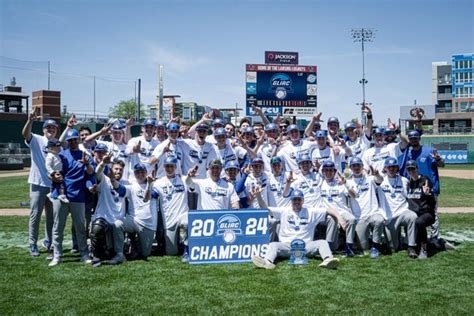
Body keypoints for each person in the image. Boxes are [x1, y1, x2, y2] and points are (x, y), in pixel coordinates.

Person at [251, 189, 344, 270]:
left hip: (305, 247)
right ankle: (267, 262)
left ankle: (328, 260)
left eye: (299, 199)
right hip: (287, 246)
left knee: (322, 243)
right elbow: (265, 208)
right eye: (294, 199)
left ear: (303, 200)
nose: (296, 202)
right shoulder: (283, 211)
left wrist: (340, 218)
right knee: (273, 245)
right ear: (290, 200)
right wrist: (258, 195)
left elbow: (328, 209)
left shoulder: (310, 211)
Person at [49, 128, 95, 267]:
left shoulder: (85, 155)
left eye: (75, 139)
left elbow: (91, 173)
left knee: (80, 228)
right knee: (58, 227)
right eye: (70, 140)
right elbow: (52, 171)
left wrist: (86, 164)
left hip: (78, 196)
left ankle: (84, 254)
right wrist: (53, 176)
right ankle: (57, 255)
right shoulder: (61, 155)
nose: (73, 142)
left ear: (79, 140)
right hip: (61, 195)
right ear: (67, 142)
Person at [22, 109, 58, 257]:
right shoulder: (37, 139)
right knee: (35, 215)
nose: (50, 129)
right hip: (37, 183)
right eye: (48, 127)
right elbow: (25, 134)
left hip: (52, 185)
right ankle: (32, 243)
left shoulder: (57, 143)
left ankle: (48, 242)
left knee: (51, 217)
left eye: (53, 127)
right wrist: (30, 120)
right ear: (43, 130)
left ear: (56, 130)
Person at [399, 130, 444, 246]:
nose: (414, 140)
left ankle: (434, 238)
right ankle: (414, 238)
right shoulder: (407, 152)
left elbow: (442, 165)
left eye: (416, 138)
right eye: (411, 138)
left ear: (419, 138)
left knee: (432, 212)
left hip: (429, 187)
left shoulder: (429, 151)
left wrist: (438, 159)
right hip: (414, 187)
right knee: (413, 212)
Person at [375, 157, 418, 258]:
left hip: (402, 212)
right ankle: (398, 239)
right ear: (385, 168)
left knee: (413, 217)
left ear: (397, 168)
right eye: (389, 167)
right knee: (394, 248)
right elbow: (377, 181)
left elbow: (409, 197)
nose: (391, 169)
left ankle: (411, 246)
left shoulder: (404, 180)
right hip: (388, 216)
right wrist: (376, 175)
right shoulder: (381, 181)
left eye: (394, 167)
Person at [89, 155, 128, 266]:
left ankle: (119, 254)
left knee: (118, 224)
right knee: (97, 226)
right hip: (103, 216)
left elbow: (122, 192)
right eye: (116, 169)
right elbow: (97, 172)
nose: (118, 171)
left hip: (118, 218)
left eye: (121, 170)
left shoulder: (126, 183)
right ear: (111, 169)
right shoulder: (104, 180)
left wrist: (113, 180)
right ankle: (96, 256)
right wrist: (103, 163)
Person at [114, 163, 158, 260]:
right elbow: (120, 189)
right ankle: (119, 253)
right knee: (117, 224)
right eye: (137, 172)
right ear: (134, 174)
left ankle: (134, 244)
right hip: (133, 221)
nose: (140, 174)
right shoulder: (132, 187)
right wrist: (112, 179)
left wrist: (149, 185)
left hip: (148, 224)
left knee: (144, 254)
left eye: (142, 172)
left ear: (146, 173)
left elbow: (147, 198)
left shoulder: (155, 186)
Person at [345, 157, 385, 258]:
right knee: (362, 247)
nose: (356, 168)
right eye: (354, 166)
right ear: (350, 168)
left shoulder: (370, 178)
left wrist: (377, 174)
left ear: (363, 167)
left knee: (379, 220)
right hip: (359, 217)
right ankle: (371, 238)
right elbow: (353, 195)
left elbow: (380, 181)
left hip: (372, 213)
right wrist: (346, 184)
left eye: (358, 165)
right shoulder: (348, 182)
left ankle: (375, 246)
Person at [318, 160, 357, 256]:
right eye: (326, 170)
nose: (328, 172)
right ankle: (329, 246)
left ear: (334, 172)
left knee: (351, 219)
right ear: (323, 172)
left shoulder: (340, 183)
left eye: (331, 170)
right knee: (332, 218)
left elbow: (354, 195)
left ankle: (349, 247)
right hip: (328, 212)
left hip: (342, 210)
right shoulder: (320, 184)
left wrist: (346, 183)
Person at [152, 157, 189, 257]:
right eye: (167, 166)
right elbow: (152, 196)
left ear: (175, 167)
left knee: (186, 222)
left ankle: (187, 250)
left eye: (171, 166)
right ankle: (179, 244)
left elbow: (192, 184)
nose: (169, 168)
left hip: (182, 214)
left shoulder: (184, 179)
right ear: (164, 167)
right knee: (171, 252)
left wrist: (190, 176)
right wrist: (148, 184)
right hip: (169, 220)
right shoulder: (158, 183)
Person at [405, 160, 436, 259]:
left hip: (427, 213)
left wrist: (428, 194)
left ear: (417, 169)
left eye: (413, 169)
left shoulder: (425, 180)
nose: (411, 171)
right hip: (415, 213)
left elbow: (432, 202)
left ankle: (424, 249)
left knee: (419, 222)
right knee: (412, 220)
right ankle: (417, 245)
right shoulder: (409, 183)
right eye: (409, 169)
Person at [45, 139, 69, 204]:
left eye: (59, 146)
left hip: (59, 171)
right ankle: (62, 195)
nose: (59, 148)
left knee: (54, 184)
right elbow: (47, 165)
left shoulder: (56, 154)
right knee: (61, 183)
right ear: (51, 148)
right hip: (55, 172)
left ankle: (51, 194)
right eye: (57, 147)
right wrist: (52, 172)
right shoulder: (50, 156)